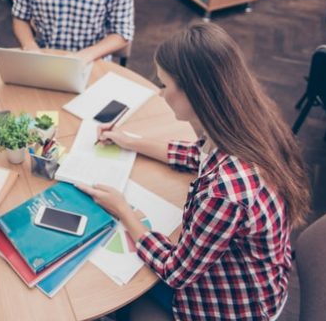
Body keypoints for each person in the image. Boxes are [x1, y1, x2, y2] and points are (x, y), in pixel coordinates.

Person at [79, 23, 310, 320]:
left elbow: (175, 272)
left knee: (113, 294)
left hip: (233, 304)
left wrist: (123, 210)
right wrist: (130, 141)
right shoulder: (246, 124)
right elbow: (197, 155)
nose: (161, 95)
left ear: (194, 93)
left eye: (165, 85)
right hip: (257, 275)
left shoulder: (225, 190)